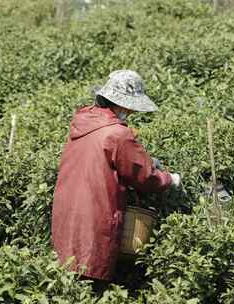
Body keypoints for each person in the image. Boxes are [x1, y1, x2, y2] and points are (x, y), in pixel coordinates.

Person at [51, 70, 181, 291]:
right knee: (91, 281)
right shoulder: (117, 134)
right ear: (120, 104)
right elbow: (145, 177)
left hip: (67, 213)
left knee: (67, 279)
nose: (131, 112)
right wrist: (170, 179)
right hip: (94, 217)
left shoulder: (83, 124)